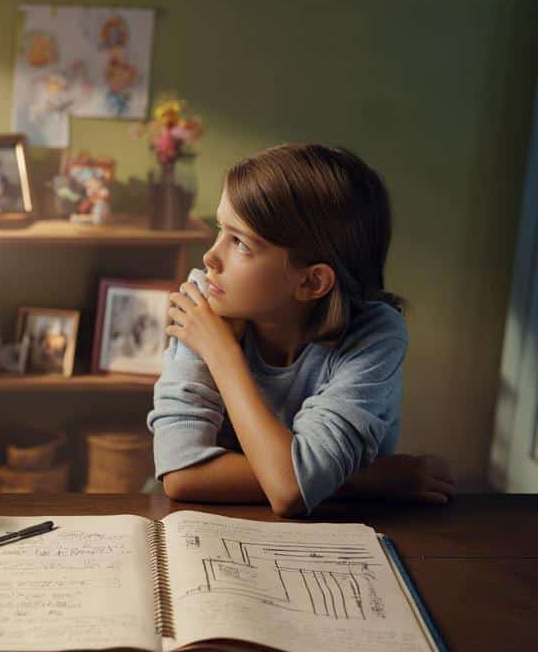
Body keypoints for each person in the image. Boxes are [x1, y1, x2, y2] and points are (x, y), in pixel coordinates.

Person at [149, 143, 454, 517]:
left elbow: (290, 490)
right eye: (220, 230)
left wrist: (221, 353)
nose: (210, 257)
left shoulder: (374, 336)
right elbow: (182, 474)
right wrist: (376, 478)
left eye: (240, 243)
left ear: (312, 282)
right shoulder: (207, 303)